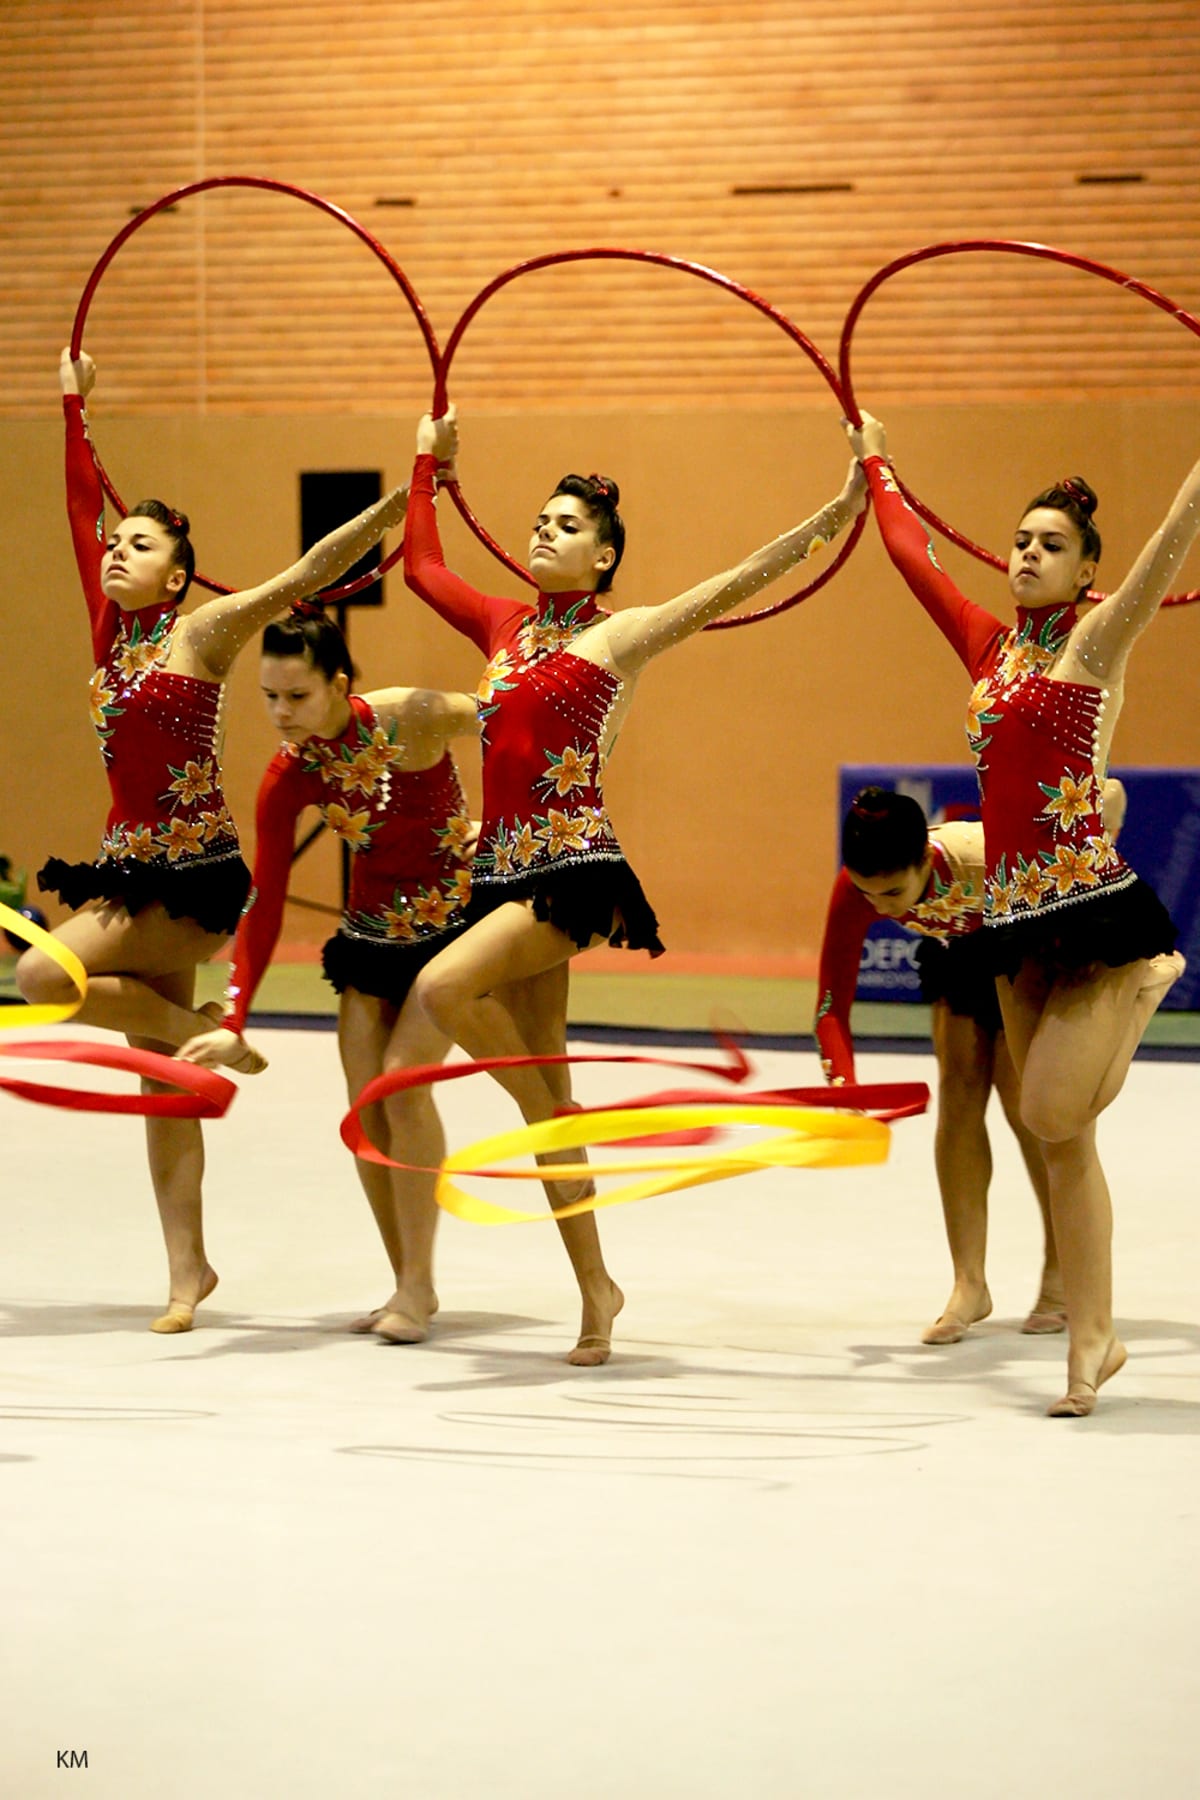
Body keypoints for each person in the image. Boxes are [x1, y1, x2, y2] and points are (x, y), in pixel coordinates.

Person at [356, 405, 868, 1366]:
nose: (544, 532)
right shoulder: (504, 627)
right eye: (540, 520)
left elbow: (727, 588)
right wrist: (426, 462)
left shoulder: (619, 636)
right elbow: (422, 569)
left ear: (602, 558)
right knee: (504, 1090)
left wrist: (832, 517)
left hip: (571, 875)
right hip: (498, 876)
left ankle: (552, 1113)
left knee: (438, 987)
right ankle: (597, 1285)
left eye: (567, 526)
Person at [15, 349, 408, 1332]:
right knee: (163, 1084)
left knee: (41, 978)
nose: (116, 552)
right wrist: (71, 404)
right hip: (125, 871)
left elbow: (306, 574)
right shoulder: (110, 634)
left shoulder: (204, 633)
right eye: (117, 542)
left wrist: (399, 505)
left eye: (139, 545)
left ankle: (195, 1027)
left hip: (191, 880)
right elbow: (77, 510)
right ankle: (189, 1273)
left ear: (180, 574)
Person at [847, 413, 1195, 1414]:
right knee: (1064, 1140)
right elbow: (914, 561)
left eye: (1052, 545)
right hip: (1011, 918)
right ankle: (1095, 1339)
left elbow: (1162, 556)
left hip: (1093, 911)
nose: (1029, 555)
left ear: (1087, 570)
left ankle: (1151, 976)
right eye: (1021, 541)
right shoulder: (991, 651)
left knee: (1046, 1110)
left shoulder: (1095, 641)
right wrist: (876, 462)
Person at [176, 607, 486, 1338]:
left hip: (452, 931)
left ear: (340, 684)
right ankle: (410, 1284)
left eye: (298, 696)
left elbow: (516, 725)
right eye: (269, 697)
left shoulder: (411, 715)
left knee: (402, 1090)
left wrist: (503, 820)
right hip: (369, 938)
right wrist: (235, 1017)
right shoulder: (290, 775)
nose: (281, 713)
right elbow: (264, 901)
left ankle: (415, 1287)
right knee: (365, 1115)